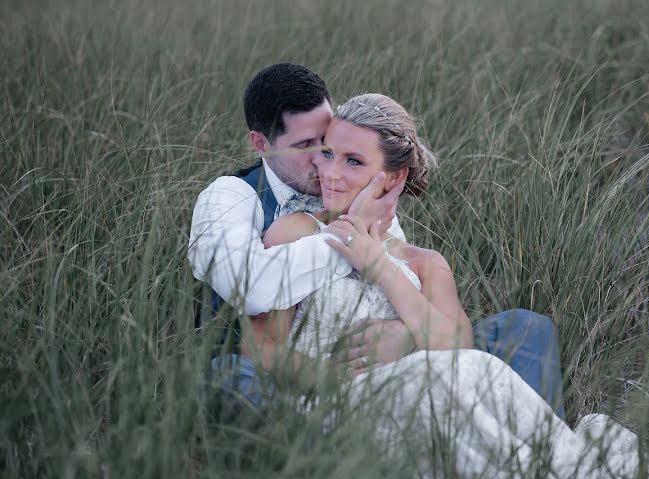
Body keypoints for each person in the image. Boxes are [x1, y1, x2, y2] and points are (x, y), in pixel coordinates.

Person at [245, 92, 649, 479]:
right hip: (340, 410)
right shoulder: (294, 234)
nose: (331, 173)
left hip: (431, 408)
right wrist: (341, 380)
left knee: (469, 371)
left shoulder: (424, 264)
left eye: (354, 161)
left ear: (392, 178)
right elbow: (260, 350)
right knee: (440, 379)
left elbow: (461, 352)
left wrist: (383, 277)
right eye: (329, 153)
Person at [189, 63, 564, 417]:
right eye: (314, 148)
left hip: (416, 376)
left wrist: (408, 339)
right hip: (292, 382)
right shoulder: (233, 198)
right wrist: (353, 239)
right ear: (261, 143)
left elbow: (395, 270)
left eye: (333, 146)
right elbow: (253, 291)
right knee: (229, 376)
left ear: (392, 178)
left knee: (527, 329)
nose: (326, 168)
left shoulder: (380, 214)